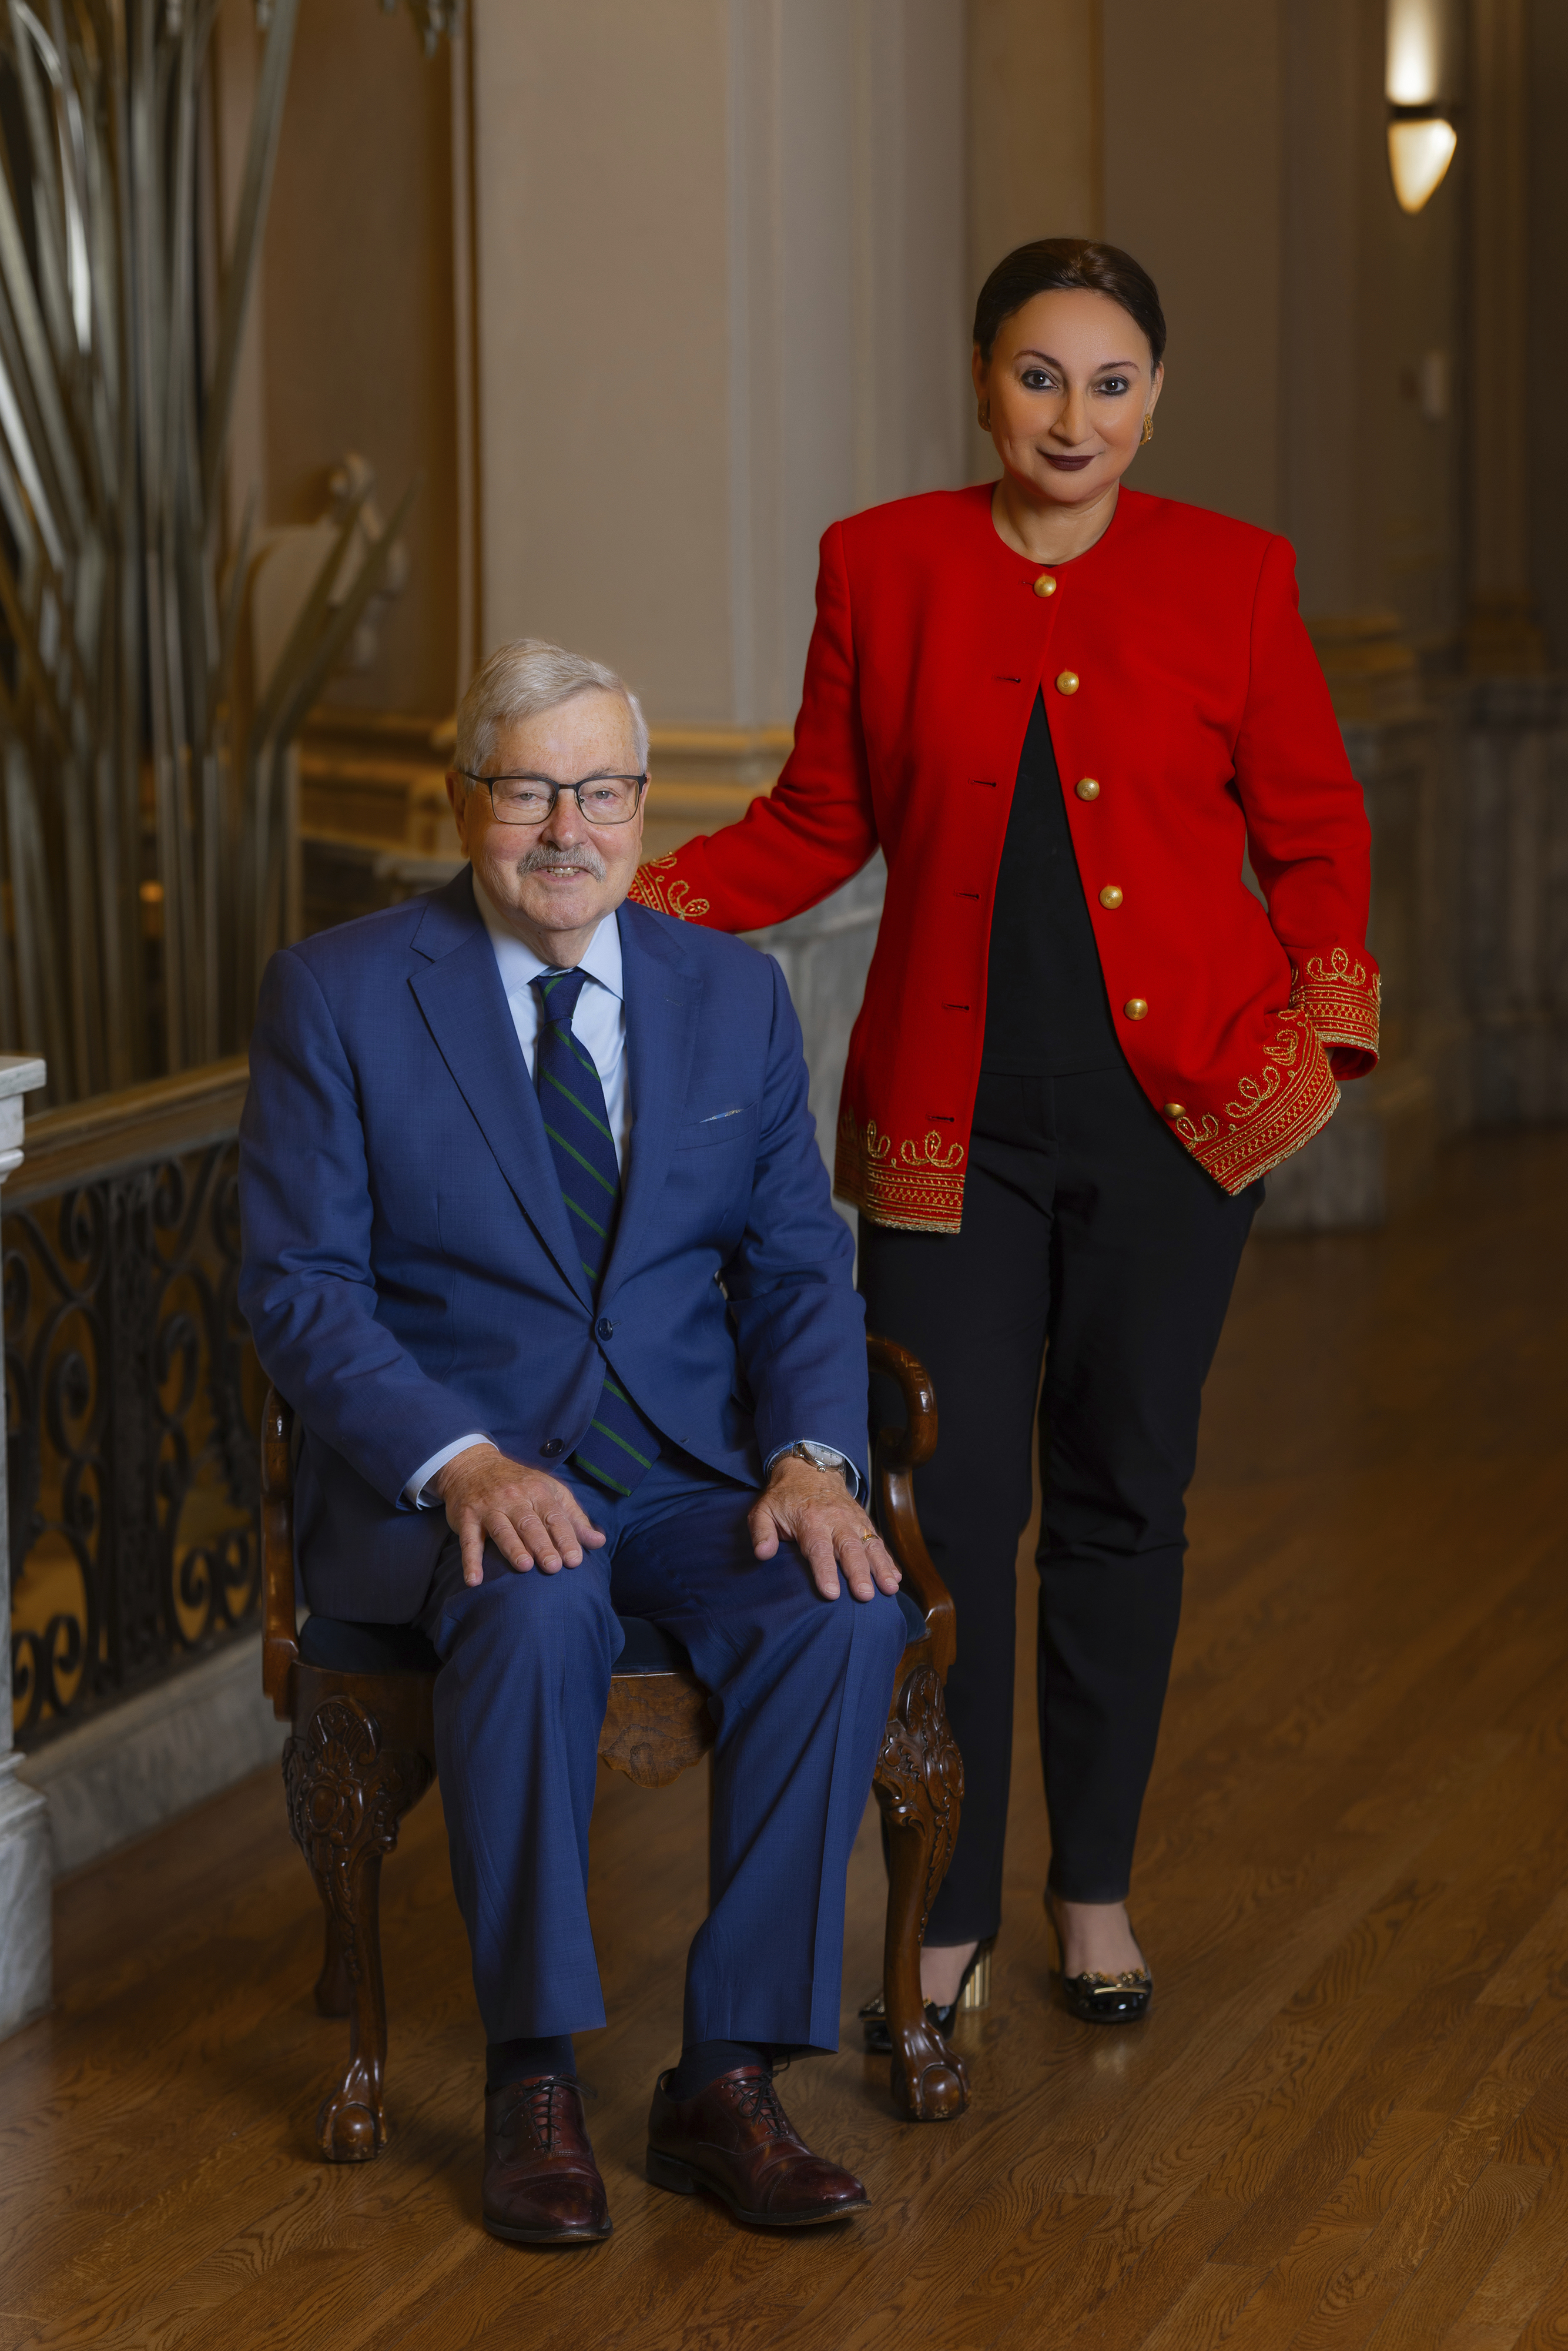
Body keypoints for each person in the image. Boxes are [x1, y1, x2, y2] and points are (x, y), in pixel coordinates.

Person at [631, 239, 1379, 2037]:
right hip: (944, 1138)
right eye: (1040, 377)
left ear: (1153, 398)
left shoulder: (1234, 576)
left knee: (1125, 1500)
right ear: (980, 381)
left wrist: (1317, 1034)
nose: (1075, 417)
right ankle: (944, 1902)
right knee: (940, 1520)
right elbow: (816, 820)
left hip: (1173, 1126)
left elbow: (1314, 832)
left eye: (1110, 382)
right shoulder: (878, 563)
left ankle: (1093, 1893)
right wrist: (626, 897)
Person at [239, 638, 913, 2247]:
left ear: (639, 805)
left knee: (843, 1607)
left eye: (600, 789)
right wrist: (457, 1459)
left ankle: (725, 2080)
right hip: (461, 1486)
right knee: (534, 1600)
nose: (566, 827)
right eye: (528, 787)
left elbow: (795, 1260)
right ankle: (532, 2077)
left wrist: (812, 1456)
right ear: (463, 798)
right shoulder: (337, 992)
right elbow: (299, 1287)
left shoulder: (726, 990)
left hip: (682, 1474)